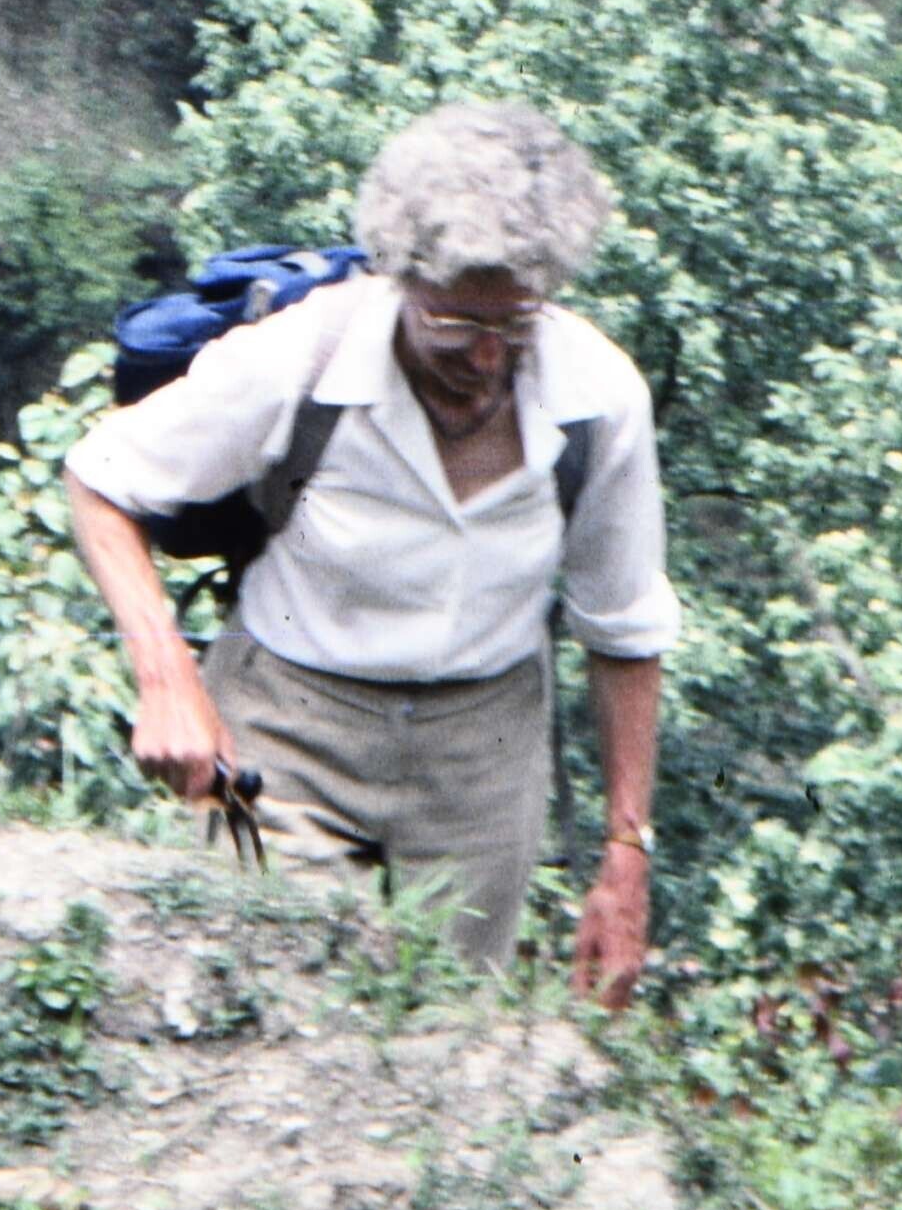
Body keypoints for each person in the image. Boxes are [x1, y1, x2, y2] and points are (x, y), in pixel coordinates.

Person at [62, 103, 679, 1002]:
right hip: (278, 728)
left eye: (514, 323)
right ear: (399, 277)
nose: (486, 359)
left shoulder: (598, 396)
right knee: (267, 993)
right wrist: (167, 680)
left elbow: (624, 626)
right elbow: (102, 477)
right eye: (454, 323)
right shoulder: (301, 356)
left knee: (452, 1024)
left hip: (484, 756)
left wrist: (626, 853)